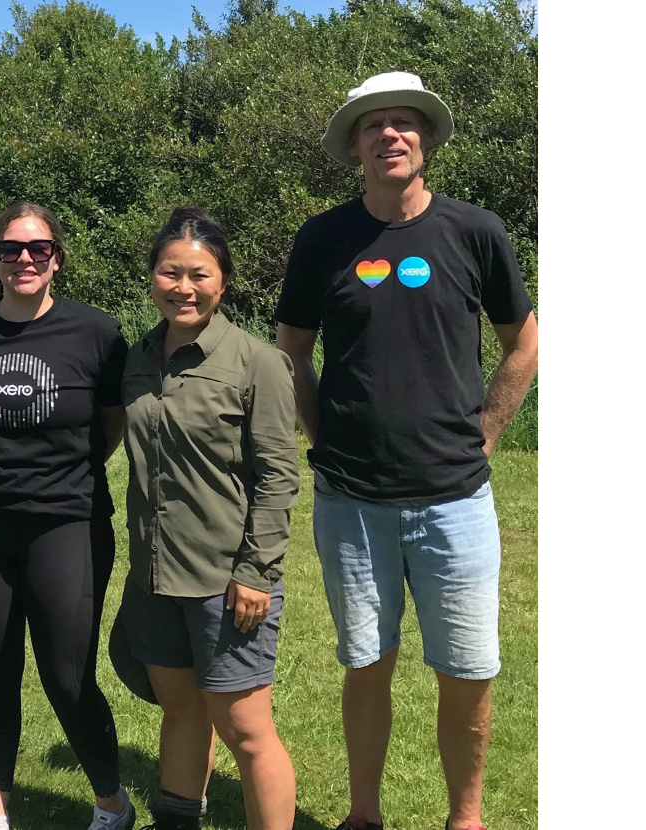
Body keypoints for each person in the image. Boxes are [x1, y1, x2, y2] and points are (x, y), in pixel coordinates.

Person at [272, 71, 539, 830]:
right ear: (354, 145)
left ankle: (466, 817)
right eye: (372, 126)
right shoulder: (322, 238)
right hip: (350, 501)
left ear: (424, 138)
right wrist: (322, 440)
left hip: (455, 498)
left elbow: (522, 339)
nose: (390, 135)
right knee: (366, 665)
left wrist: (488, 430)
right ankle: (363, 815)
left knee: (467, 671)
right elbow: (291, 350)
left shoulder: (474, 230)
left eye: (404, 123)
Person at [0, 201, 134, 830]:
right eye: (10, 249)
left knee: (68, 673)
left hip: (67, 520)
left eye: (39, 248)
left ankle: (111, 801)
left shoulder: (97, 333)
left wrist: (56, 475)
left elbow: (111, 425)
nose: (24, 259)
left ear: (58, 257)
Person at [116, 207, 299, 830]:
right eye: (171, 272)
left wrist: (256, 571)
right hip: (153, 576)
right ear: (152, 278)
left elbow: (279, 476)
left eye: (199, 274)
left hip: (229, 581)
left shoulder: (258, 363)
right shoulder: (138, 359)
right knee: (180, 710)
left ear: (223, 282)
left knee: (246, 729)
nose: (183, 287)